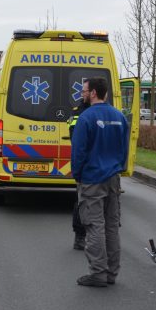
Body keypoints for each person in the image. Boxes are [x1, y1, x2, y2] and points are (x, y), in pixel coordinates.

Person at [71, 77, 129, 287]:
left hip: (92, 179)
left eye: (85, 91)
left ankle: (98, 273)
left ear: (94, 93)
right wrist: (118, 168)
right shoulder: (119, 116)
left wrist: (77, 174)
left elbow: (79, 151)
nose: (82, 94)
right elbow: (125, 149)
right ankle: (112, 273)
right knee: (112, 226)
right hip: (113, 178)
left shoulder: (86, 118)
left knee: (94, 226)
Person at [68, 93, 91, 251]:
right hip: (88, 165)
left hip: (102, 167)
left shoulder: (106, 110)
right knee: (82, 202)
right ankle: (80, 236)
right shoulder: (79, 111)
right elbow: (75, 138)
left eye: (84, 91)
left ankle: (99, 238)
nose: (82, 94)